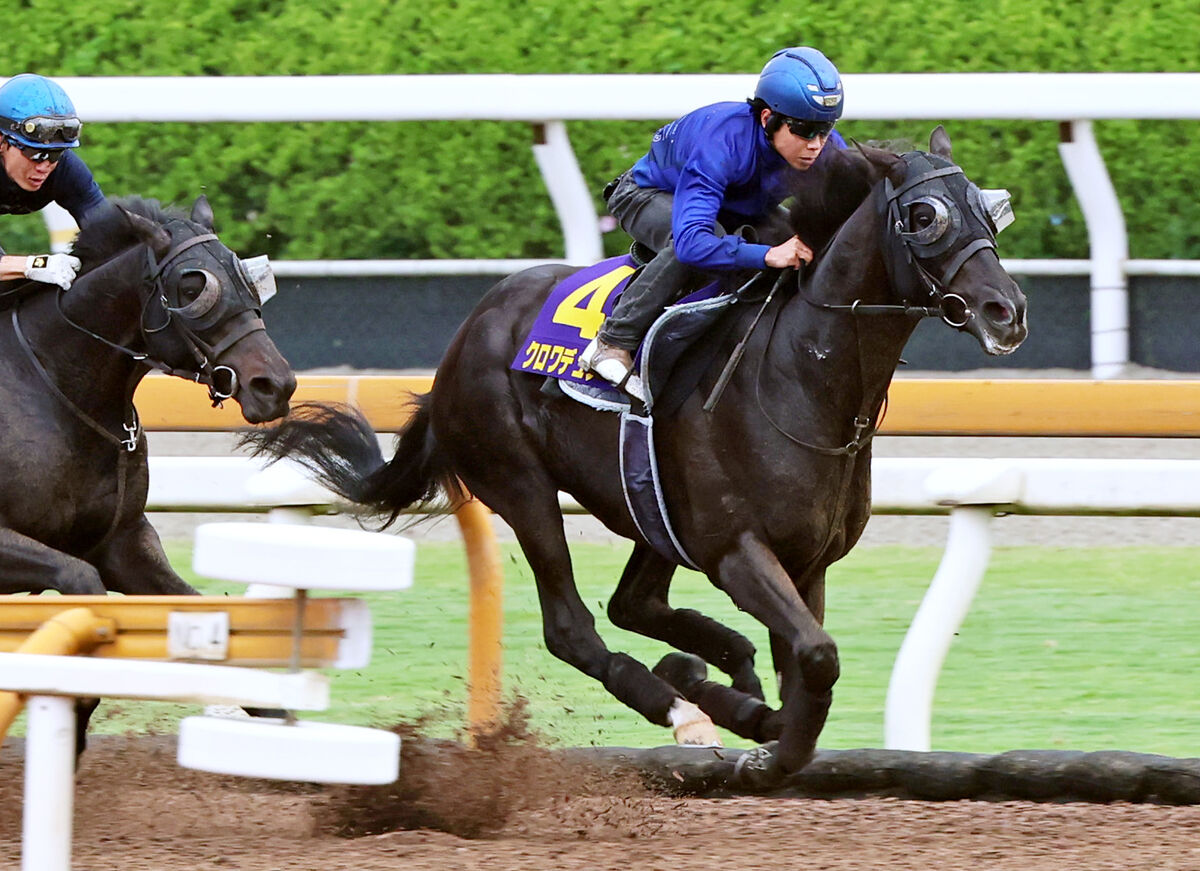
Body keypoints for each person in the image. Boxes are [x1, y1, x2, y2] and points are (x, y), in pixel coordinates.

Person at [579, 46, 848, 400]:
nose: (816, 145)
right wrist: (768, 255)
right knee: (701, 241)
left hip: (734, 205)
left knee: (802, 242)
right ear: (767, 118)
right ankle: (613, 340)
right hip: (650, 193)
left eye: (825, 130)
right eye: (804, 130)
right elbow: (693, 244)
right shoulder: (722, 141)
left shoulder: (825, 148)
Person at [0, 73, 106, 290]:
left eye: (56, 154)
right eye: (35, 154)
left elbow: (109, 231)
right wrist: (35, 264)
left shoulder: (65, 169)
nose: (44, 167)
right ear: (2, 141)